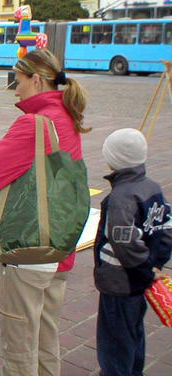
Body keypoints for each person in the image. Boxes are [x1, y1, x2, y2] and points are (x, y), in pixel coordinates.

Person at [0, 48, 90, 376]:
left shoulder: (35, 123)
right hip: (61, 245)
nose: (16, 89)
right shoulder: (68, 115)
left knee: (20, 348)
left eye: (18, 80)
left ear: (36, 80)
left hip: (29, 249)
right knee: (47, 338)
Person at [94, 128, 172, 376]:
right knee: (134, 332)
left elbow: (123, 242)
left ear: (112, 159)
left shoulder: (120, 197)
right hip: (140, 278)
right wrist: (156, 263)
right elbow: (166, 228)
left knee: (115, 341)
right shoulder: (152, 186)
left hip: (120, 280)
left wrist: (144, 269)